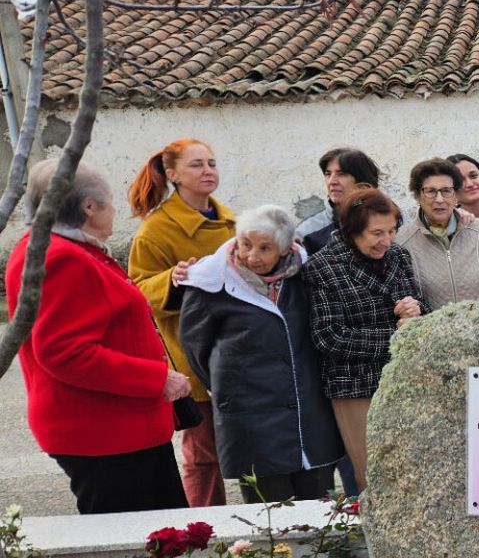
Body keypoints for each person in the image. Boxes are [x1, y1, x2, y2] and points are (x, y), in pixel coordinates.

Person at [7, 158, 189, 514]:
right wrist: (157, 379)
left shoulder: (66, 250)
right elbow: (65, 353)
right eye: (110, 201)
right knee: (137, 549)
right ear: (89, 208)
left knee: (169, 542)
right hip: (105, 436)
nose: (115, 210)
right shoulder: (61, 258)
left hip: (121, 430)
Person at [179, 205, 344, 503]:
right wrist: (232, 385)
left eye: (265, 248)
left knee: (319, 509)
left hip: (307, 408)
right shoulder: (209, 282)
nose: (252, 255)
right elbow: (195, 348)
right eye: (245, 244)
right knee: (269, 514)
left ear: (284, 249)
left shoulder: (306, 275)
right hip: (250, 414)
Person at [127, 138, 236, 508]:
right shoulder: (154, 231)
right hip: (193, 354)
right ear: (172, 175)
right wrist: (171, 278)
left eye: (212, 162)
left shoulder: (231, 220)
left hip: (241, 350)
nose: (208, 170)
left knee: (254, 443)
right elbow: (137, 290)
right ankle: (204, 532)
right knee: (203, 454)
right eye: (196, 165)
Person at [303, 189, 428, 492]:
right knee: (374, 478)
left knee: (414, 474)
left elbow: (421, 307)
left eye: (391, 231)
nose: (386, 240)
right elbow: (329, 337)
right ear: (352, 230)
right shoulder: (323, 266)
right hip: (355, 386)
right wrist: (397, 336)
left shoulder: (398, 255)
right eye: (376, 233)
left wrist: (416, 311)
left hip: (403, 380)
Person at [396, 157, 479, 309]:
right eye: (430, 191)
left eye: (446, 191)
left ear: (456, 194)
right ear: (417, 196)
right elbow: (406, 300)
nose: (439, 199)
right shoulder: (402, 240)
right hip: (434, 331)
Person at [297, 148, 381, 256]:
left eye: (341, 174)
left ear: (362, 181)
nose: (332, 181)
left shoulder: (385, 220)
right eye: (328, 174)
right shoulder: (307, 232)